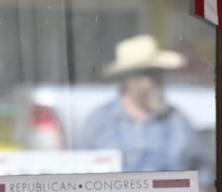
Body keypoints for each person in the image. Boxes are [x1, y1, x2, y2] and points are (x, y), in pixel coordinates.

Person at [79, 34, 210, 183]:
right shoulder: (100, 122)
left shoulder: (177, 121)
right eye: (150, 74)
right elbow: (80, 176)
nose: (157, 81)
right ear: (130, 79)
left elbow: (203, 175)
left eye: (159, 73)